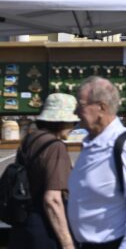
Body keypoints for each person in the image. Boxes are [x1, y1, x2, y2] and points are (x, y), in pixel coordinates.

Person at [67, 76, 126, 249]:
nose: (75, 112)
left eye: (81, 105)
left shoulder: (125, 146)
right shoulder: (91, 142)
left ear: (101, 107)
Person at [9, 93, 79, 249]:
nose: (74, 126)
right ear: (62, 121)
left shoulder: (31, 139)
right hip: (45, 228)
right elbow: (52, 200)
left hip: (24, 224)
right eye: (72, 122)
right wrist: (68, 244)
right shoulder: (55, 147)